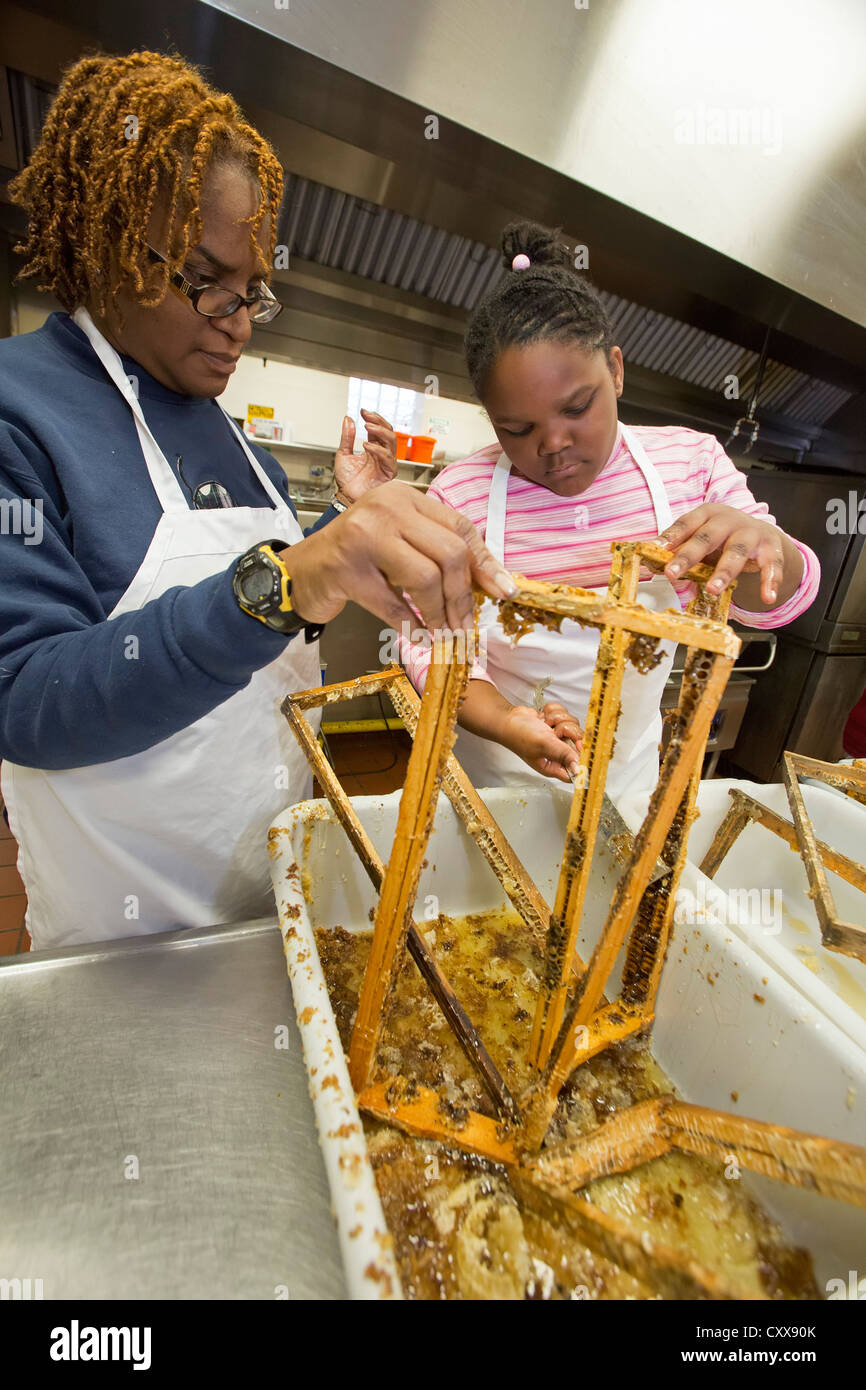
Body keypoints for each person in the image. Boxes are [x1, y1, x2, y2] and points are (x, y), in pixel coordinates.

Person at [0, 51, 514, 950]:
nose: (236, 318)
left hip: (269, 901)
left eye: (254, 291)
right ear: (111, 242)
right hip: (123, 940)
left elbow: (261, 608)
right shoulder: (22, 410)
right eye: (205, 279)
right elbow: (25, 700)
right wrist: (291, 576)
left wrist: (338, 528)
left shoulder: (227, 431)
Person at [399, 222, 820, 815]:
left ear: (616, 371)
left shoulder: (688, 464)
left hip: (627, 787)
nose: (552, 444)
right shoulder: (459, 496)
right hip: (493, 784)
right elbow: (427, 641)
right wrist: (505, 722)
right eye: (516, 428)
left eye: (577, 407)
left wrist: (767, 545)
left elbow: (779, 600)